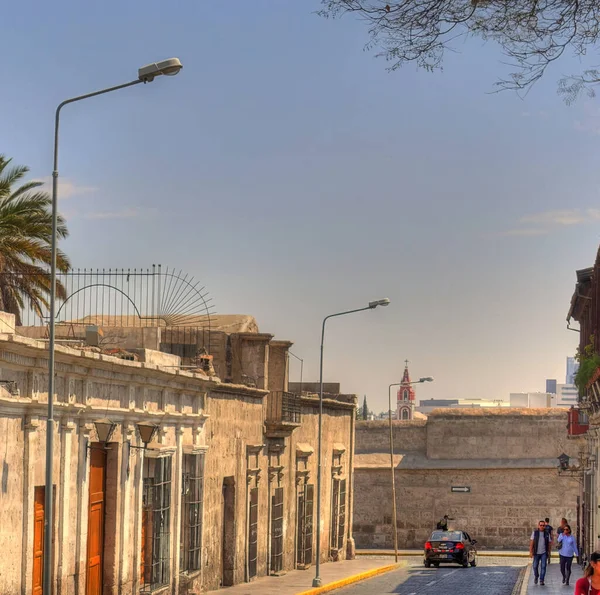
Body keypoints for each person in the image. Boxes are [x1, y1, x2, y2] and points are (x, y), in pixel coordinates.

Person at [530, 520, 551, 586]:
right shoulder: (535, 533)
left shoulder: (547, 534)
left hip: (544, 553)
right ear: (538, 526)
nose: (542, 526)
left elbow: (549, 544)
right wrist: (531, 551)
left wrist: (549, 553)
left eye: (543, 525)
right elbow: (531, 542)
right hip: (536, 552)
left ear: (545, 526)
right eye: (541, 525)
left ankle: (541, 580)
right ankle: (536, 576)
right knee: (535, 566)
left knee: (543, 566)